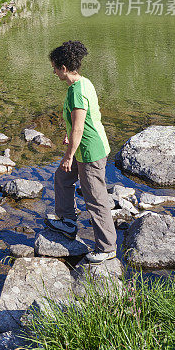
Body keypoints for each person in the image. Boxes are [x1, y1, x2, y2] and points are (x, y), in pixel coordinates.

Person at [46, 40, 117, 263]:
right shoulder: (84, 83)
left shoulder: (76, 91)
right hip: (85, 144)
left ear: (63, 68)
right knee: (62, 177)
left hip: (90, 152)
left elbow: (79, 126)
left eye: (55, 67)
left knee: (95, 198)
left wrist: (69, 155)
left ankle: (107, 247)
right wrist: (70, 137)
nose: (54, 71)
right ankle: (67, 222)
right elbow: (82, 121)